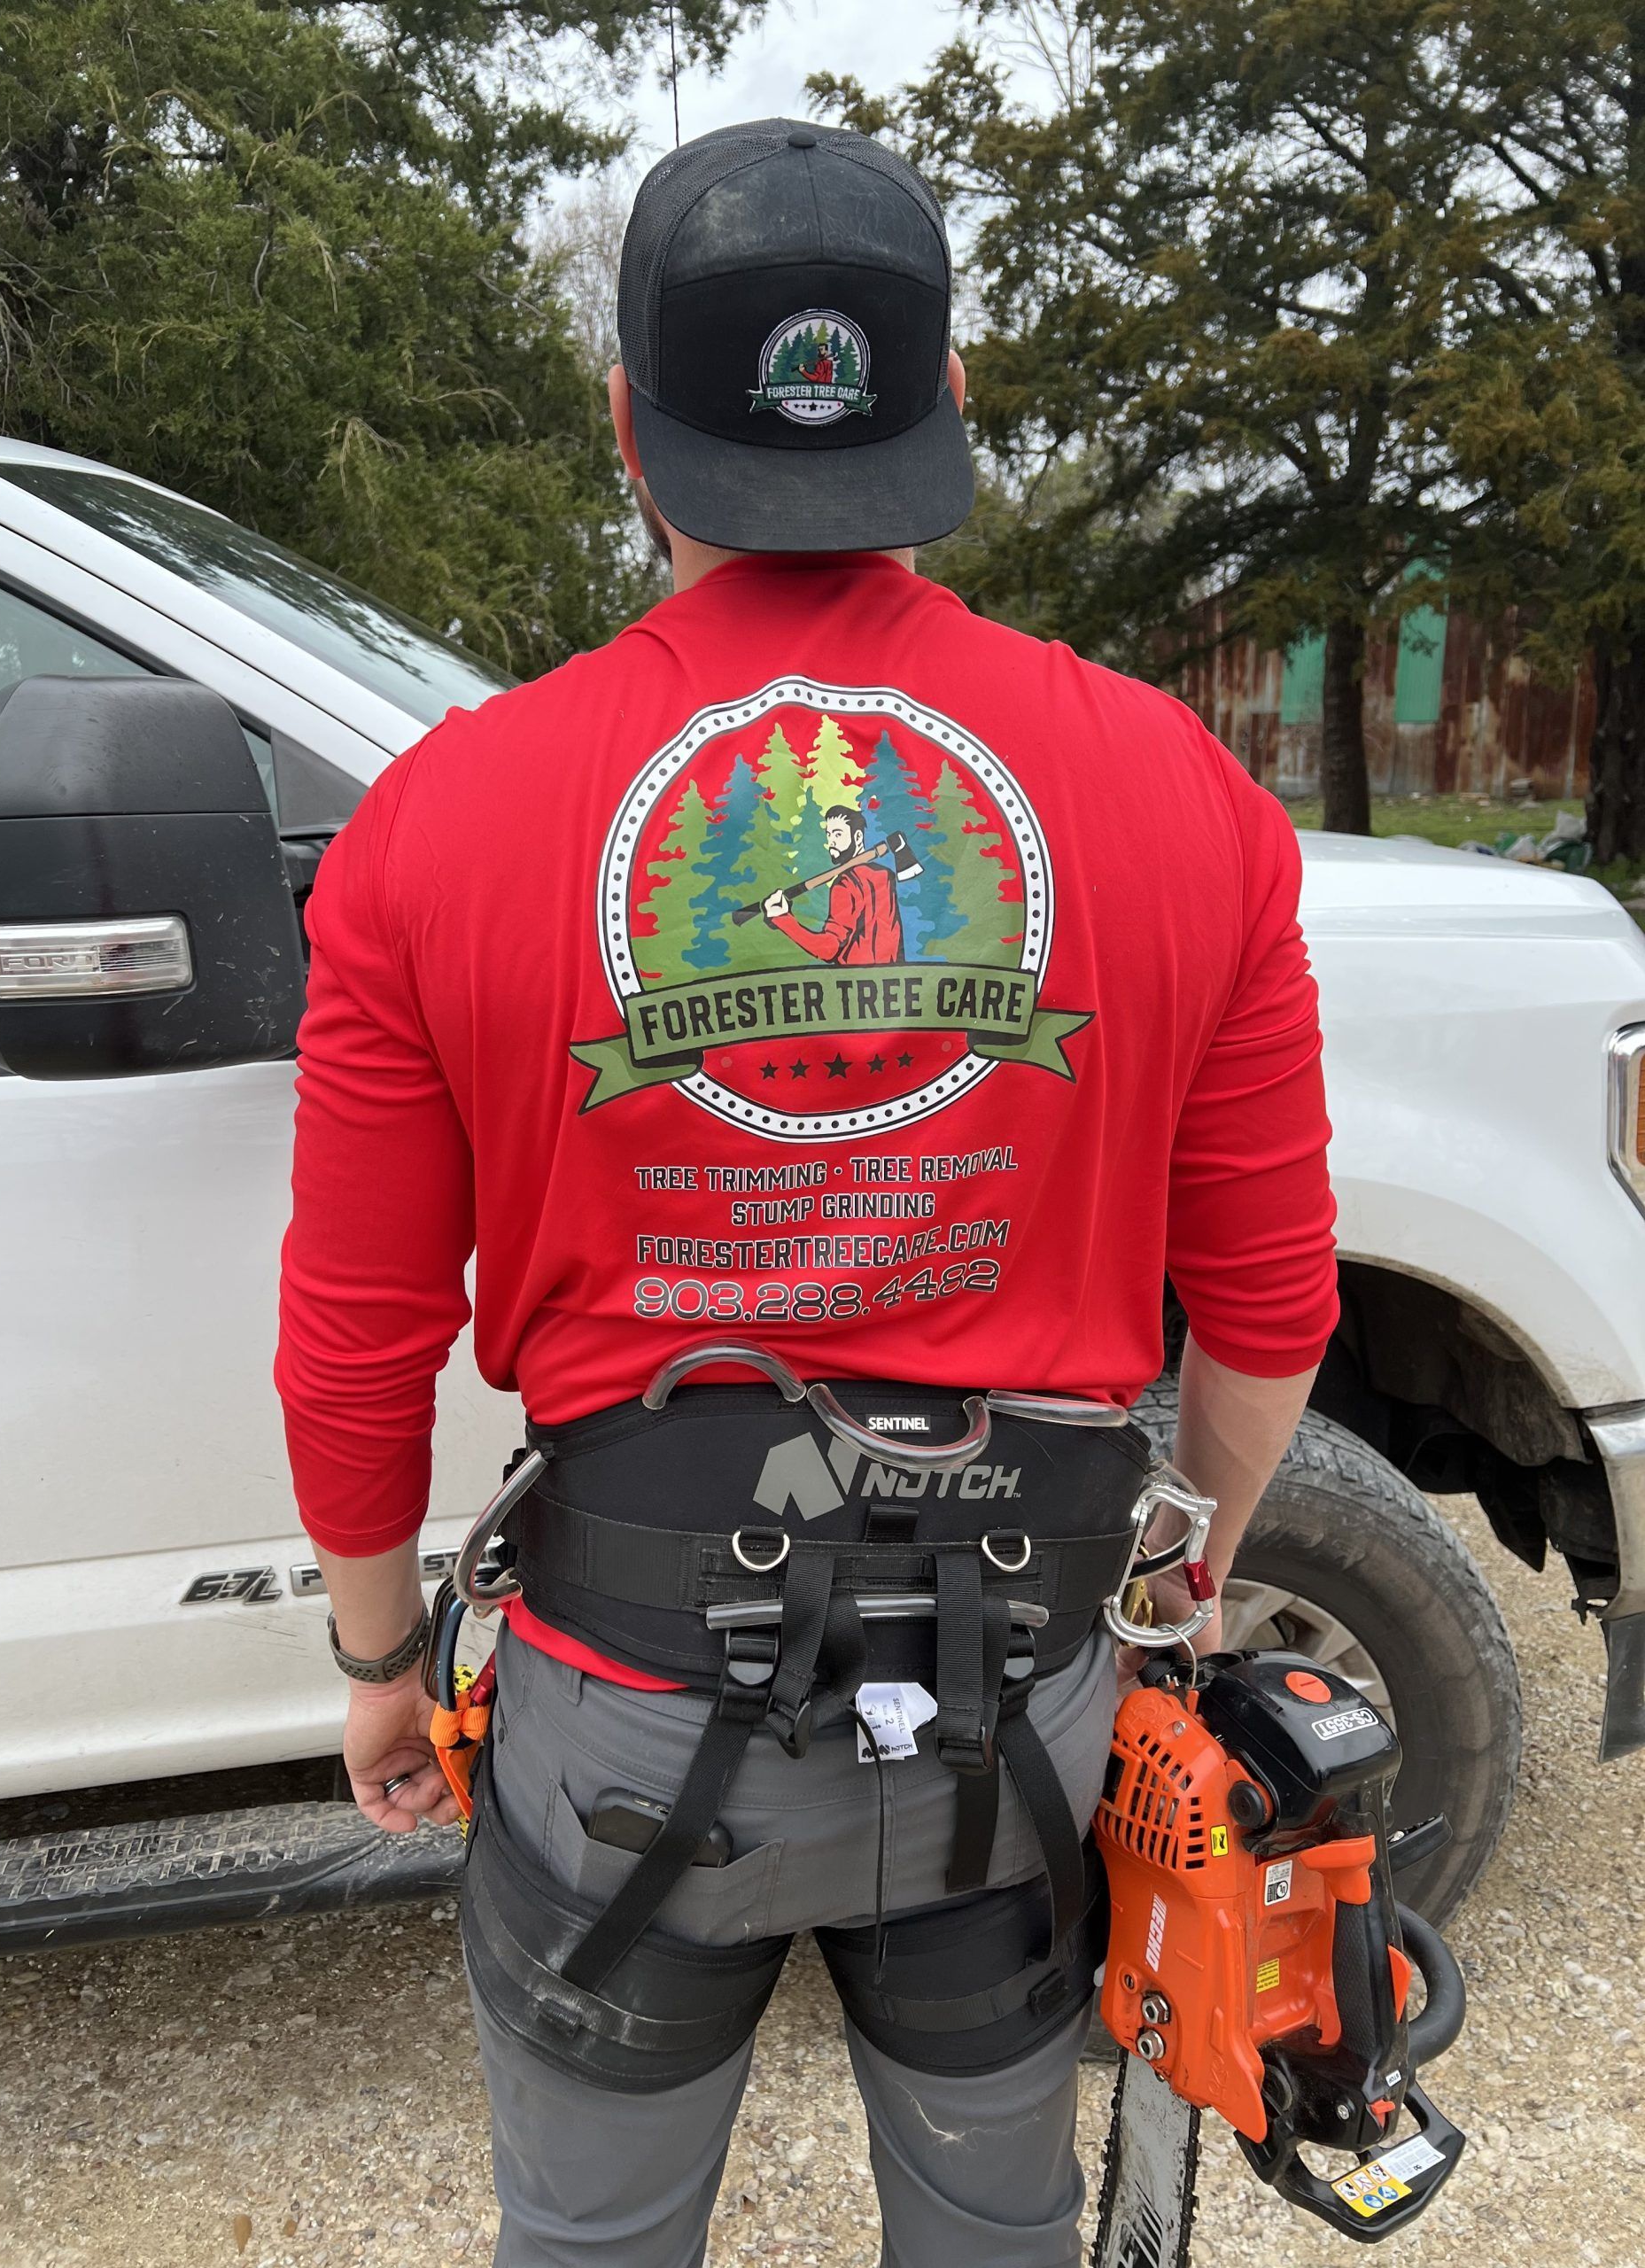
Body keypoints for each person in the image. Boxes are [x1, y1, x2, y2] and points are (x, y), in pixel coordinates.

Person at [276, 117, 1338, 2268]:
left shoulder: (437, 823)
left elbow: (359, 1330)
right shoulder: (1182, 798)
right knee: (989, 2218)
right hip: (1023, 1690)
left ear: (625, 426)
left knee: (591, 2238)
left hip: (625, 1701)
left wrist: (381, 1655)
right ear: (948, 401)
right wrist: (1179, 1582)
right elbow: (1270, 1296)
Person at [764, 803, 905, 964]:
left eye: (838, 835)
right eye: (829, 834)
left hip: (853, 984)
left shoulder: (845, 884)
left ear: (858, 837)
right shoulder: (885, 876)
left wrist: (783, 918)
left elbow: (828, 949)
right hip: (891, 982)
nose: (831, 841)